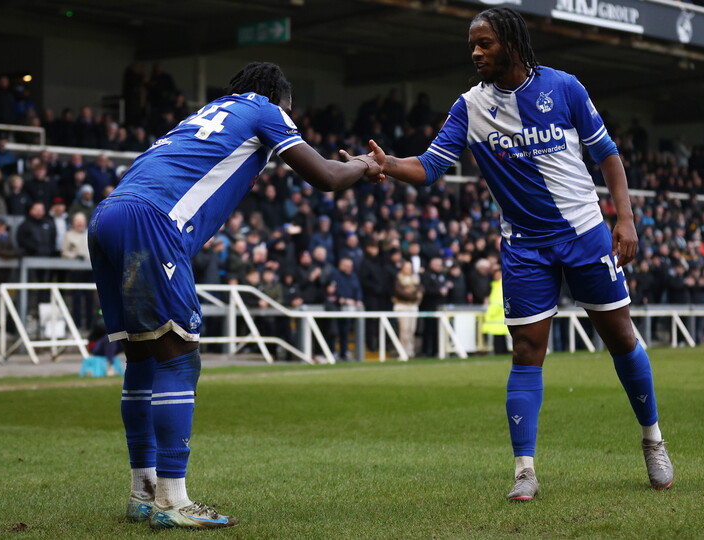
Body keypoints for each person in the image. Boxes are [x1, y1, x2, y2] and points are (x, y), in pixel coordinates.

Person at [364, 7, 673, 500]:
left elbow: (607, 154)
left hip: (586, 234)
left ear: (510, 42)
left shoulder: (565, 87)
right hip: (525, 247)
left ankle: (652, 439)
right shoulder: (470, 106)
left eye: (484, 43)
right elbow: (429, 166)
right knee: (527, 351)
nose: (476, 52)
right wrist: (386, 165)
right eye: (473, 44)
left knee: (620, 338)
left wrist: (626, 218)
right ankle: (524, 470)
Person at [88, 61, 381, 530]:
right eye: (291, 113)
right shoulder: (266, 109)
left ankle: (142, 491)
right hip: (152, 221)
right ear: (278, 99)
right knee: (179, 360)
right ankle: (173, 499)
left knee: (143, 360)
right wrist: (363, 165)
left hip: (109, 214)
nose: (290, 121)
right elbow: (325, 178)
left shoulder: (205, 113)